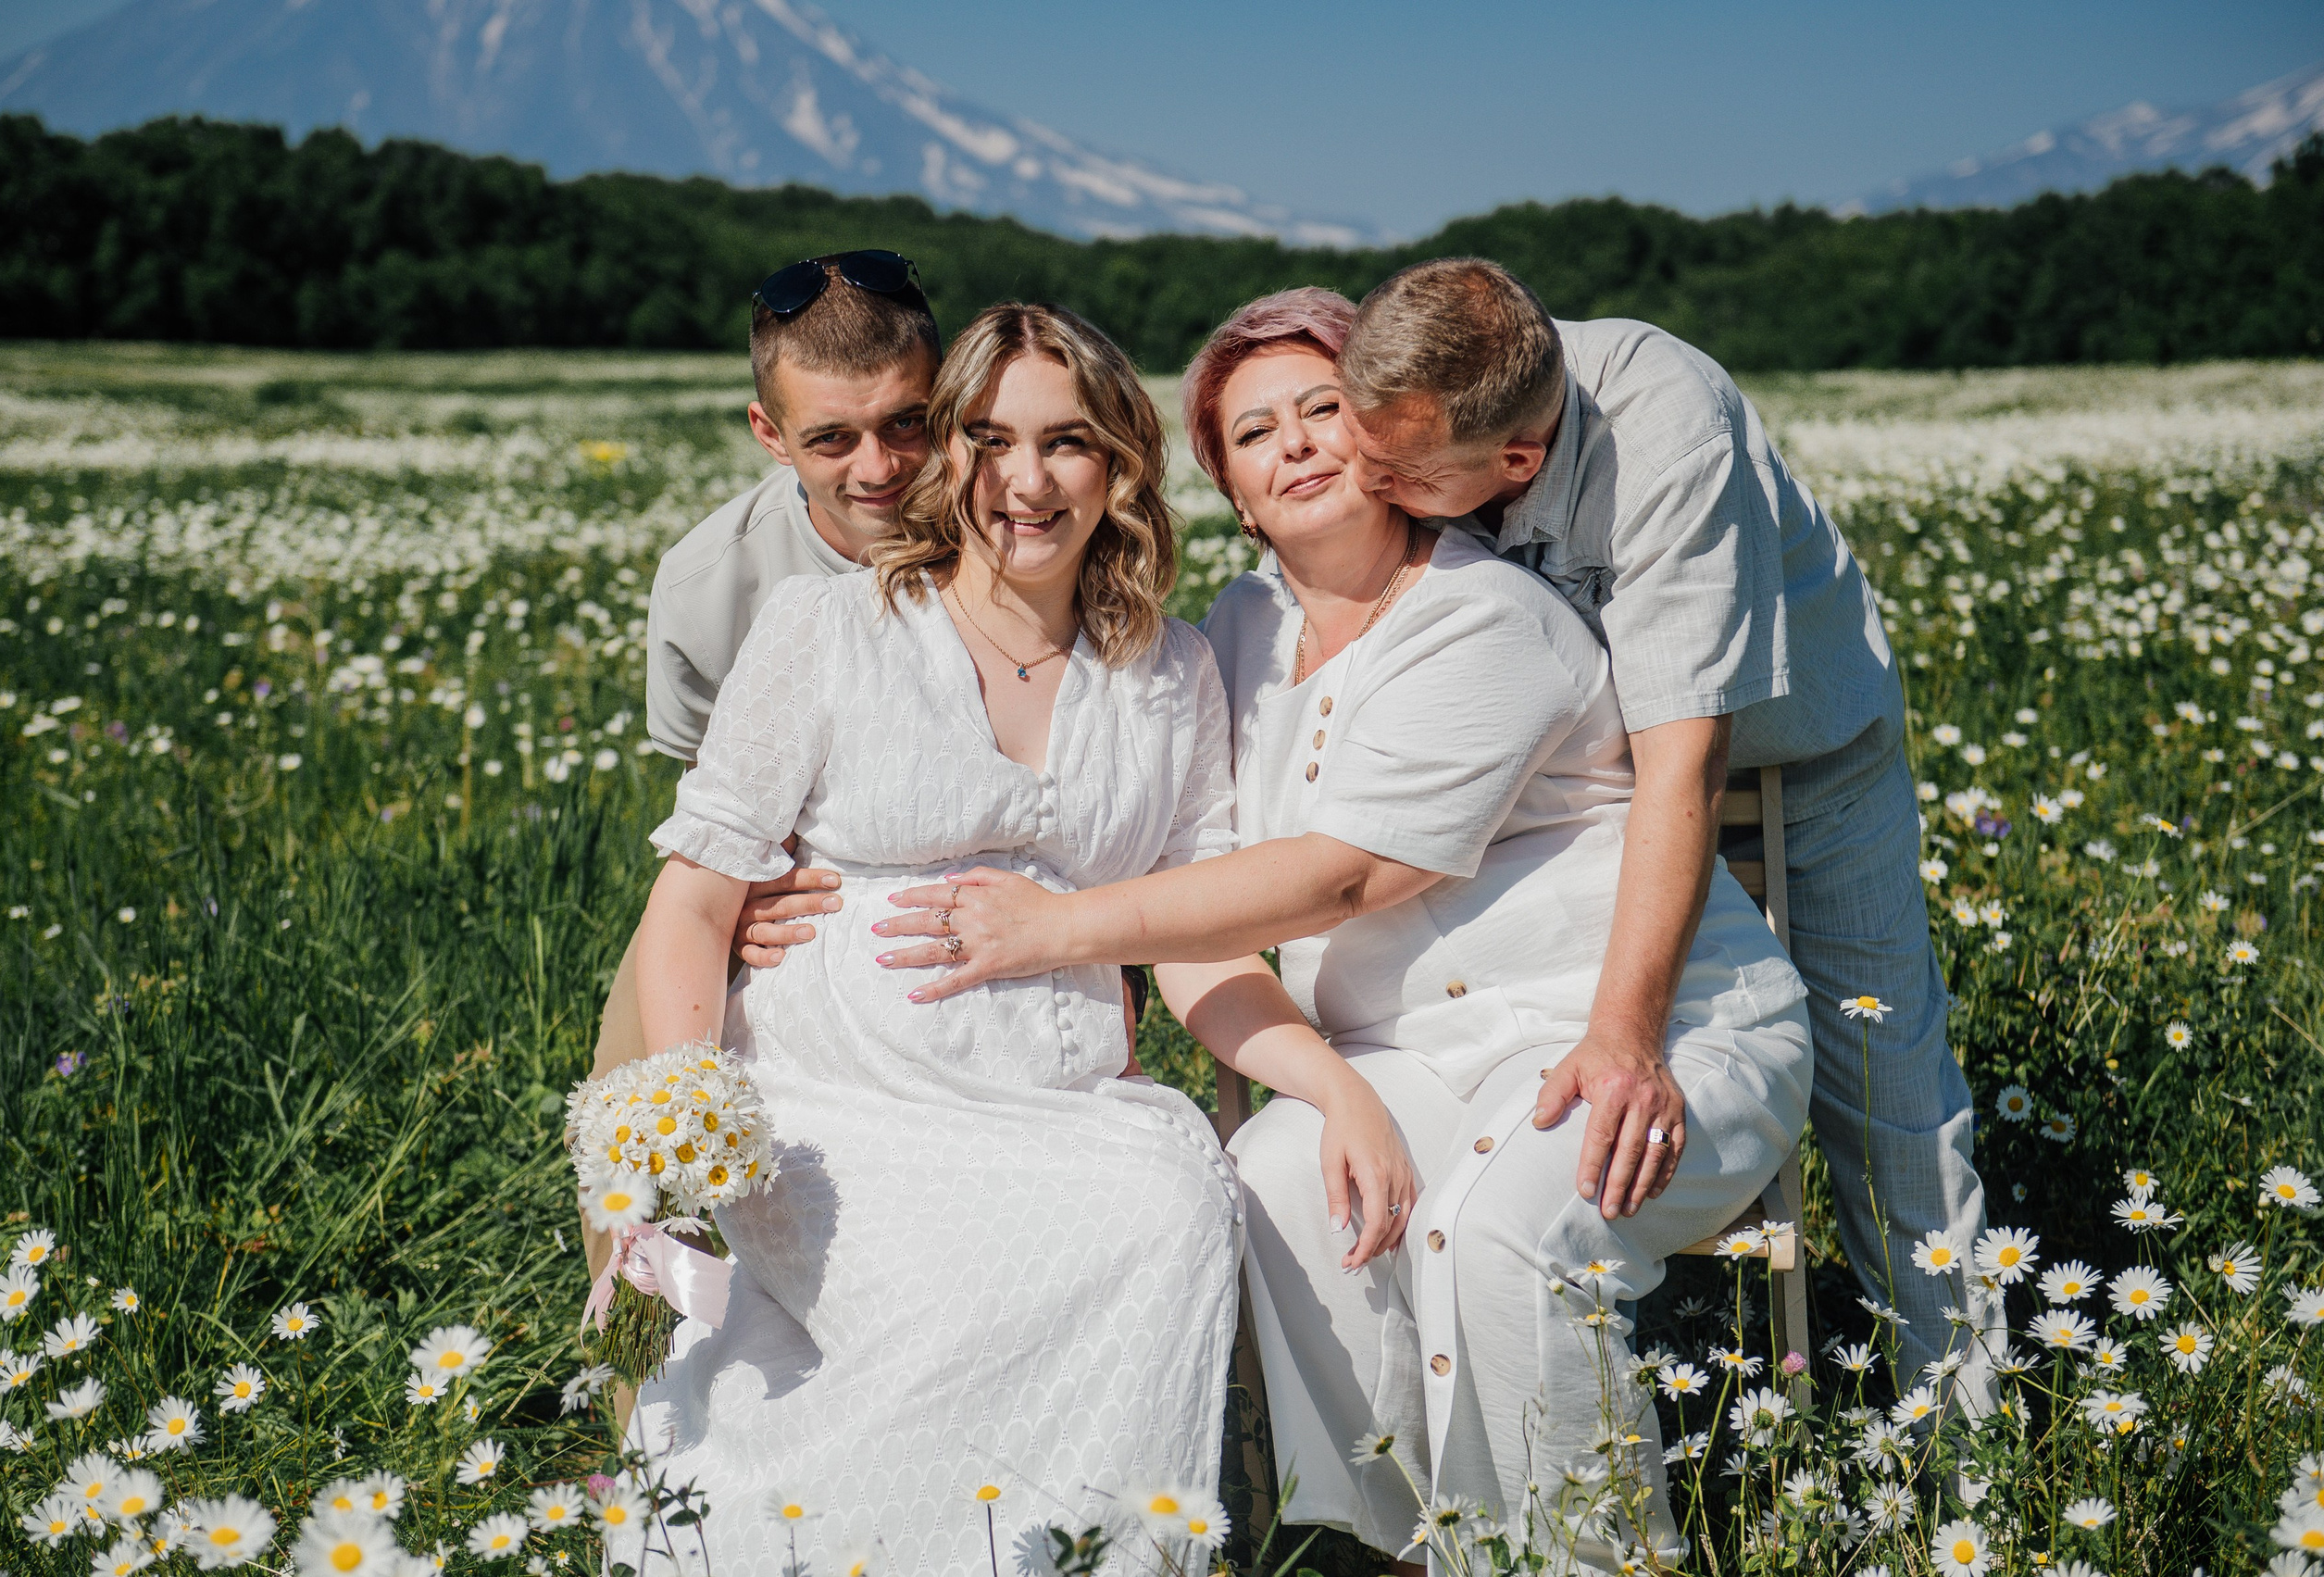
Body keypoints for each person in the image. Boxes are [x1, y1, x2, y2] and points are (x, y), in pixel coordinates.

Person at [872, 290, 1813, 1571]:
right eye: (1255, 433)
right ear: (1235, 494)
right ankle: (1412, 1543)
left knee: (1505, 1227)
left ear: (1384, 445)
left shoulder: (1491, 618)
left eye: (1325, 409)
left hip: (1633, 1033)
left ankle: (1579, 1558)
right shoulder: (1237, 636)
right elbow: (1183, 868)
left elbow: (1343, 875)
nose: (1298, 442)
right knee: (1271, 1172)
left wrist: (1058, 927)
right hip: (1410, 1058)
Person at [613, 303, 1243, 1574]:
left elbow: (1201, 931)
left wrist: (1303, 1095)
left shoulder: (1171, 669)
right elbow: (693, 896)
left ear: (1118, 457)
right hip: (841, 1110)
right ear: (949, 456)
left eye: (1066, 440)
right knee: (961, 1297)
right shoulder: (829, 631)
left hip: (1062, 1106)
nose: (1025, 478)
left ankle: (1075, 1553)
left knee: (1175, 1206)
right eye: (988, 437)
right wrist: (684, 1118)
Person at [1335, 257, 1993, 1383]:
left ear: (1516, 462)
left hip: (1802, 758)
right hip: (1583, 800)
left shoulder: (1667, 431)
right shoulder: (1439, 406)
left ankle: (1963, 1439)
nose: (1361, 475)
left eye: (1392, 471)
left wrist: (1626, 1039)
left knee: (1884, 1092)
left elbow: (1684, 763)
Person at [581, 249, 940, 1294]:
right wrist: (741, 909)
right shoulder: (708, 582)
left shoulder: (1020, 522)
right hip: (779, 895)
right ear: (768, 433)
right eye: (832, 437)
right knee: (631, 1098)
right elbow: (709, 814)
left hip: (975, 893)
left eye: (907, 422)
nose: (878, 466)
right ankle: (646, 1402)